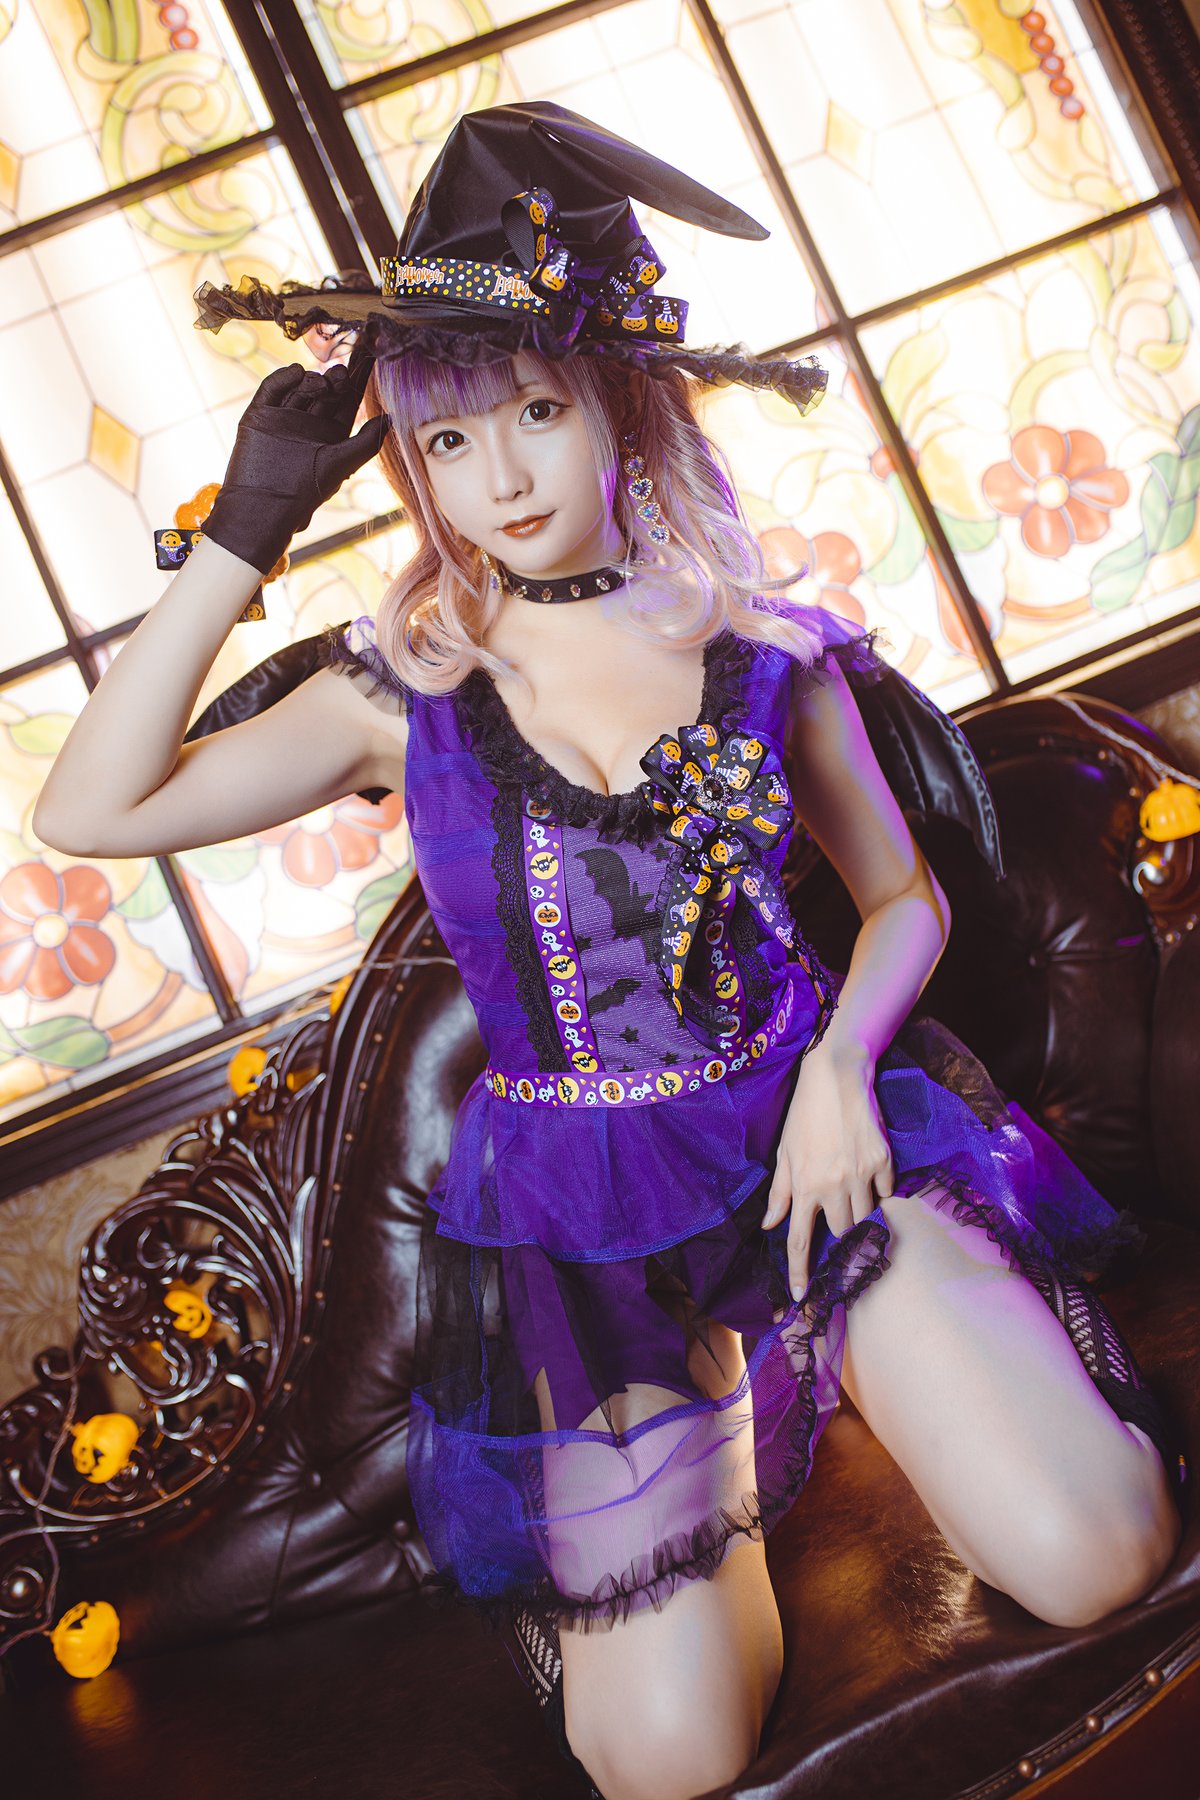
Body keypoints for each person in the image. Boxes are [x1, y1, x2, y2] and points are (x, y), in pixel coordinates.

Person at [34, 102, 1186, 1800]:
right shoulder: (400, 693)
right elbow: (90, 809)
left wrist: (845, 1072)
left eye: (537, 412)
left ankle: (884, 1349)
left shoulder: (766, 656)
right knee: (661, 1762)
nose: (499, 480)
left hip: (821, 1158)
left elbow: (905, 903)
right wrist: (243, 530)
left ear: (620, 403)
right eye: (446, 439)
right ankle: (746, 1428)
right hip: (587, 1227)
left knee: (1100, 1555)